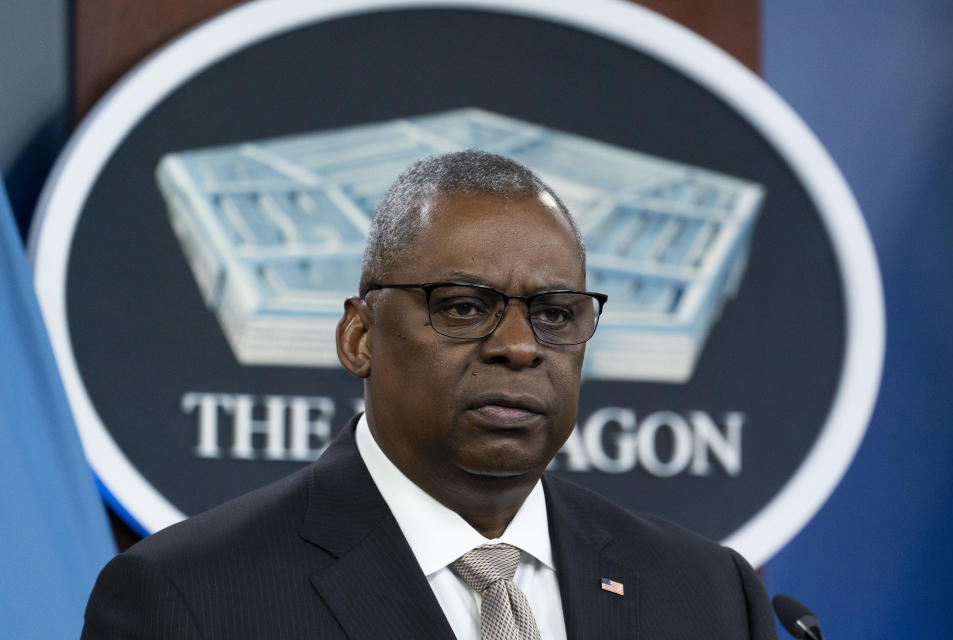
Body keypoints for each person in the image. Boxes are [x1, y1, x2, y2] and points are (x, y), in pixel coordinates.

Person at [81, 151, 777, 639]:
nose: (520, 345)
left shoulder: (709, 594)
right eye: (464, 307)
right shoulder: (189, 597)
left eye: (556, 314)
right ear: (359, 337)